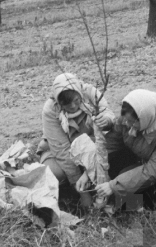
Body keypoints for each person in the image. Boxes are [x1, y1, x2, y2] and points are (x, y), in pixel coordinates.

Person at [38, 73, 115, 208]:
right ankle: (68, 194)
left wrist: (106, 120)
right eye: (66, 104)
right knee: (54, 172)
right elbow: (61, 150)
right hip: (60, 150)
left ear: (80, 93)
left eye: (76, 100)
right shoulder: (50, 110)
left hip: (91, 144)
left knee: (111, 161)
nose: (73, 106)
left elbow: (107, 113)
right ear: (58, 101)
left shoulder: (90, 93)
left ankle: (100, 189)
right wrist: (82, 192)